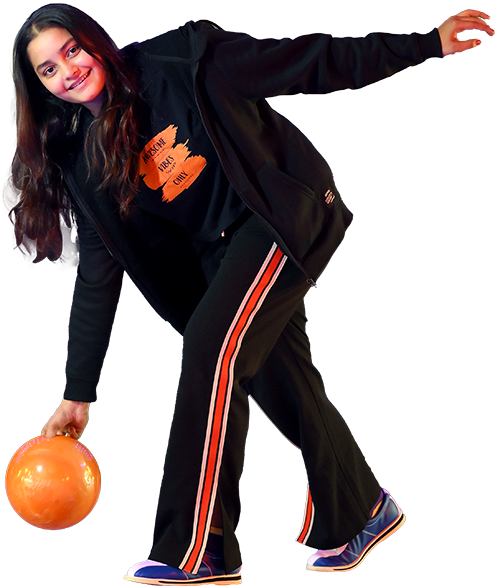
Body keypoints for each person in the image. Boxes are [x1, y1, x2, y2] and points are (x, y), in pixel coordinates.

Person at [5, 3, 492, 585]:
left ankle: (200, 548)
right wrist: (77, 395)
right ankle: (363, 509)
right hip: (222, 256)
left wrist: (427, 44)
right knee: (285, 385)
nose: (68, 71)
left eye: (72, 50)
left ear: (94, 41)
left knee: (212, 354)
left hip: (277, 218)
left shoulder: (181, 62)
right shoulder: (84, 157)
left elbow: (308, 62)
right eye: (49, 69)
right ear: (41, 87)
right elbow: (97, 275)